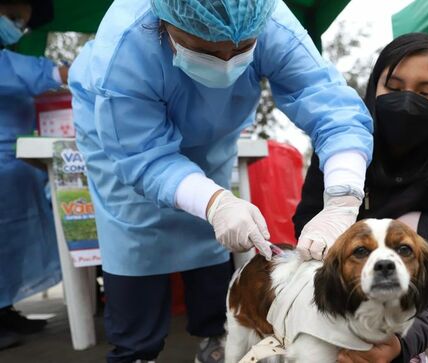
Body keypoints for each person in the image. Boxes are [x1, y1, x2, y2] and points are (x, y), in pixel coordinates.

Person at [68, 0, 373, 362]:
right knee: (136, 242)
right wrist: (215, 202)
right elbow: (144, 157)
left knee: (210, 235)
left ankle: (215, 338)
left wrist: (342, 197)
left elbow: (331, 108)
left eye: (243, 49)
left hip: (211, 142)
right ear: (164, 24)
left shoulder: (269, 19)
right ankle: (136, 349)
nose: (227, 62)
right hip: (125, 140)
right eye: (207, 49)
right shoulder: (125, 49)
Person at [293, 33, 428, 363]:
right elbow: (307, 231)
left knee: (409, 226)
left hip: (399, 320)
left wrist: (404, 346)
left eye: (426, 92)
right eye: (393, 86)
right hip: (335, 301)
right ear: (374, 89)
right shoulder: (339, 150)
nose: (407, 101)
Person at [0, 0, 67, 351]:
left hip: (18, 169)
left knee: (12, 246)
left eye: (21, 23)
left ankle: (6, 309)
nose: (17, 27)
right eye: (11, 18)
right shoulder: (12, 65)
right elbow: (54, 75)